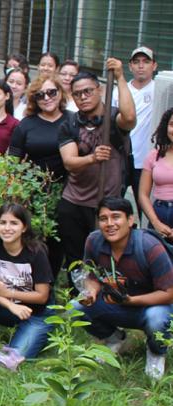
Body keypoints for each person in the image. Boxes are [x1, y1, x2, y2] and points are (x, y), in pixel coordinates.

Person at [74, 197, 173, 380]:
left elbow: (168, 294)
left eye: (116, 217)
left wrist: (132, 300)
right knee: (76, 307)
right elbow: (91, 275)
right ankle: (115, 339)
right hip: (116, 303)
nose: (109, 224)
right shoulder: (94, 241)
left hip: (152, 306)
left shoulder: (149, 247)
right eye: (104, 219)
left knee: (156, 318)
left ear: (130, 220)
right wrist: (92, 291)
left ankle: (156, 351)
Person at [58, 62, 136, 267]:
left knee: (105, 258)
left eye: (88, 91)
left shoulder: (113, 117)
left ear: (99, 90)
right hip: (74, 202)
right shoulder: (70, 124)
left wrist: (120, 77)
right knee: (76, 259)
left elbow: (129, 118)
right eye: (77, 94)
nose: (83, 97)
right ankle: (77, 297)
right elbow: (69, 162)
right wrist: (92, 158)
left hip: (107, 205)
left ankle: (105, 296)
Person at [0, 203, 54, 371]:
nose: (7, 228)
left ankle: (37, 335)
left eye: (14, 223)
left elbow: (42, 295)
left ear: (24, 228)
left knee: (12, 360)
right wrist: (10, 304)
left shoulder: (36, 252)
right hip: (8, 308)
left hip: (36, 313)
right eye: (2, 223)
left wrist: (9, 292)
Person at [8, 74, 72, 276]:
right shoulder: (27, 124)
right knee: (33, 240)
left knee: (59, 240)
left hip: (68, 190)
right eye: (40, 95)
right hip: (34, 192)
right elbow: (13, 161)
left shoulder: (73, 120)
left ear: (60, 93)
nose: (46, 98)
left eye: (51, 92)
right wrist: (17, 193)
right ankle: (33, 281)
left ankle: (52, 285)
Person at [113, 46, 158, 200]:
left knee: (144, 206)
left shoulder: (160, 90)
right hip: (121, 160)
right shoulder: (119, 90)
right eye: (136, 62)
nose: (141, 66)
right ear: (130, 66)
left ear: (154, 66)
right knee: (115, 203)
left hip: (146, 162)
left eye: (146, 61)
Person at [138, 108, 173, 237]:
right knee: (155, 255)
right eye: (172, 125)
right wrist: (155, 222)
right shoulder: (154, 156)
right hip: (158, 212)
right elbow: (143, 194)